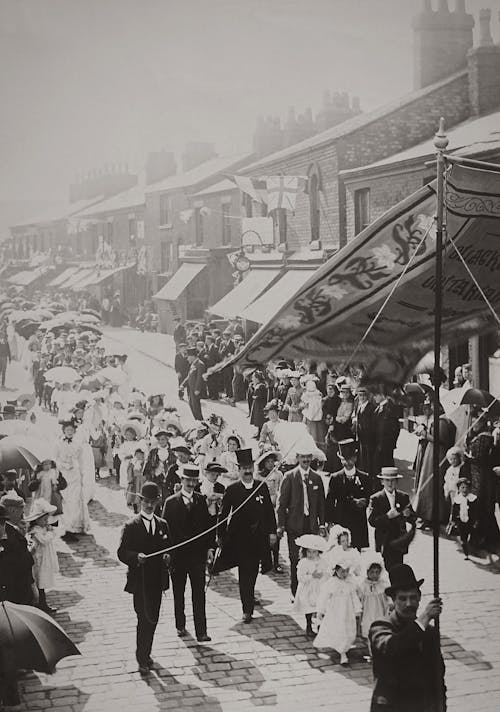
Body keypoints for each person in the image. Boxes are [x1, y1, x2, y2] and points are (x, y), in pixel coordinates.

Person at [369, 564, 445, 712]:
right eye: (402, 598)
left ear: (419, 598)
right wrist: (425, 617)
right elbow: (393, 647)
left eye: (413, 598)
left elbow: (437, 676)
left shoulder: (429, 632)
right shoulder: (380, 627)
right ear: (393, 600)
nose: (409, 604)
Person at [215, 448, 277, 623]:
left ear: (254, 468)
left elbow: (268, 512)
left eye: (250, 467)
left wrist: (272, 532)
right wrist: (220, 535)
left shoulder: (261, 486)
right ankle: (247, 609)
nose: (248, 471)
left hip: (259, 538)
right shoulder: (232, 489)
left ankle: (250, 594)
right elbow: (223, 514)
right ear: (239, 470)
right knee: (244, 573)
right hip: (240, 539)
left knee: (254, 570)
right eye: (244, 468)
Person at [117, 482, 171, 676]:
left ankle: (147, 654)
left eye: (153, 502)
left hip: (156, 582)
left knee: (153, 619)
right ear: (140, 501)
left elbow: (168, 549)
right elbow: (122, 552)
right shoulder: (131, 526)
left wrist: (167, 559)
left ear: (158, 502)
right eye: (146, 502)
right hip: (140, 582)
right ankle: (141, 658)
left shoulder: (163, 525)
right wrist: (135, 557)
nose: (149, 506)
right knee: (143, 619)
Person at [162, 465, 213, 642]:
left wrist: (209, 548)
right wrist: (168, 553)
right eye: (188, 480)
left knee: (199, 593)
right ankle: (180, 624)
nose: (191, 484)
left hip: (197, 557)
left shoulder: (201, 501)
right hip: (178, 557)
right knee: (179, 592)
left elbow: (207, 528)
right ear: (181, 480)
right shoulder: (170, 503)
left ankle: (201, 631)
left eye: (194, 481)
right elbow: (165, 531)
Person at [276, 444, 326, 596]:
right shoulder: (290, 477)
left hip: (311, 525)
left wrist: (322, 524)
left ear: (312, 458)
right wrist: (281, 525)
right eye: (302, 457)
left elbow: (321, 504)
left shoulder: (316, 478)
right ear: (297, 458)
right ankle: (295, 592)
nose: (305, 460)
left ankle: (311, 591)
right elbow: (282, 503)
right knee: (295, 558)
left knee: (313, 558)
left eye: (308, 457)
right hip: (294, 525)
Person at [314, 553, 362, 665]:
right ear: (336, 570)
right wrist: (320, 610)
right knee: (338, 629)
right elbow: (324, 597)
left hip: (348, 611)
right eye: (342, 571)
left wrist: (357, 609)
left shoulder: (350, 582)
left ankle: (345, 646)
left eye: (346, 571)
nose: (344, 574)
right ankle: (342, 653)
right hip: (335, 611)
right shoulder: (331, 583)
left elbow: (354, 596)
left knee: (348, 629)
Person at [367, 467, 416, 572]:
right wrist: (387, 517)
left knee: (398, 568)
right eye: (387, 480)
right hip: (385, 541)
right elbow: (372, 521)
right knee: (386, 569)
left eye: (393, 480)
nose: (390, 483)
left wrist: (409, 515)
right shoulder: (376, 498)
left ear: (396, 481)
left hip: (399, 539)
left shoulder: (403, 497)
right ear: (382, 482)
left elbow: (413, 517)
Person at [325, 439, 371, 550]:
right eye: (344, 460)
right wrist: (329, 521)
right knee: (340, 552)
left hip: (358, 522)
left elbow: (369, 496)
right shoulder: (335, 478)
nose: (348, 462)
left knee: (356, 552)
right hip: (341, 520)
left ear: (355, 458)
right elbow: (330, 500)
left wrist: (364, 502)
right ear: (341, 460)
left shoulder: (364, 477)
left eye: (350, 459)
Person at [25, 498, 60, 614]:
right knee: (40, 582)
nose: (46, 521)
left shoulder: (41, 528)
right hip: (40, 562)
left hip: (45, 559)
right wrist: (50, 532)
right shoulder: (36, 531)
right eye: (44, 519)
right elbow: (44, 540)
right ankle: (41, 604)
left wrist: (48, 529)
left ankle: (42, 603)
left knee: (42, 583)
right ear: (37, 520)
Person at [292, 534, 328, 638]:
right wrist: (312, 576)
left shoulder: (322, 561)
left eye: (314, 552)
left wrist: (322, 576)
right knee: (308, 608)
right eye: (309, 551)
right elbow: (300, 577)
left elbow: (326, 573)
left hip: (319, 588)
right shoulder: (303, 563)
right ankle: (308, 626)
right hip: (308, 589)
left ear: (318, 552)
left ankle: (320, 625)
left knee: (320, 607)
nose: (311, 554)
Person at [255, 449, 283, 572]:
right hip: (261, 507)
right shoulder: (258, 476)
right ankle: (264, 561)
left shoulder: (278, 475)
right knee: (262, 534)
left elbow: (281, 490)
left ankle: (276, 562)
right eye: (268, 462)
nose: (271, 464)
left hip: (274, 505)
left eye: (272, 461)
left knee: (275, 534)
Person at [357, 554, 389, 657]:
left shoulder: (383, 583)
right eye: (372, 572)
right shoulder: (364, 585)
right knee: (369, 629)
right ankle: (372, 652)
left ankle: (381, 648)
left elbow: (388, 595)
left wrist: (390, 603)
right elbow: (360, 597)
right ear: (367, 572)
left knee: (380, 629)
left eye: (377, 572)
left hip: (380, 610)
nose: (375, 575)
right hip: (368, 611)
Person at [372, 392, 401, 475]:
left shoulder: (390, 408)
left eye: (376, 394)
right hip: (378, 445)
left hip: (386, 446)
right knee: (378, 469)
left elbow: (396, 428)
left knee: (388, 471)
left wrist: (390, 444)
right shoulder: (378, 408)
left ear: (382, 395)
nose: (374, 397)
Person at [352, 385, 376, 480]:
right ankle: (364, 477)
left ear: (367, 396)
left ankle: (369, 477)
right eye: (360, 395)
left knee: (368, 459)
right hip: (360, 436)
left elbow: (371, 424)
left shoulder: (371, 407)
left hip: (368, 438)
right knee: (362, 459)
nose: (362, 397)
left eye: (363, 395)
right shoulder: (359, 406)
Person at [451, 477, 478, 560]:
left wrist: (476, 521)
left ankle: (472, 546)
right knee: (463, 538)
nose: (464, 490)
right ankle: (466, 553)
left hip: (471, 521)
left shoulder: (473, 499)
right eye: (462, 487)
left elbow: (477, 511)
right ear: (459, 489)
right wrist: (454, 521)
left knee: (471, 535)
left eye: (466, 487)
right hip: (461, 521)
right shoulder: (457, 500)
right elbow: (454, 512)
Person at [186, 347, 205, 421]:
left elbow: (200, 378)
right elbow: (189, 376)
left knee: (196, 407)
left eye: (188, 357)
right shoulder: (193, 364)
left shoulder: (200, 364)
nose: (187, 359)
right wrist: (183, 384)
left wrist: (197, 389)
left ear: (193, 356)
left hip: (196, 390)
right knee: (192, 405)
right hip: (191, 389)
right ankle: (197, 421)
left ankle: (200, 422)